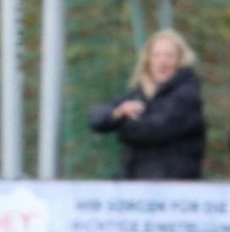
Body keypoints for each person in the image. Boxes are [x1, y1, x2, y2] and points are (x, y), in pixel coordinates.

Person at [88, 29, 206, 179]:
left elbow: (153, 130)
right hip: (136, 183)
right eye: (156, 55)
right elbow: (96, 118)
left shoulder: (187, 95)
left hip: (174, 188)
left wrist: (120, 123)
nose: (162, 61)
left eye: (169, 56)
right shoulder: (137, 93)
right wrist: (118, 112)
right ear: (148, 60)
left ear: (180, 60)